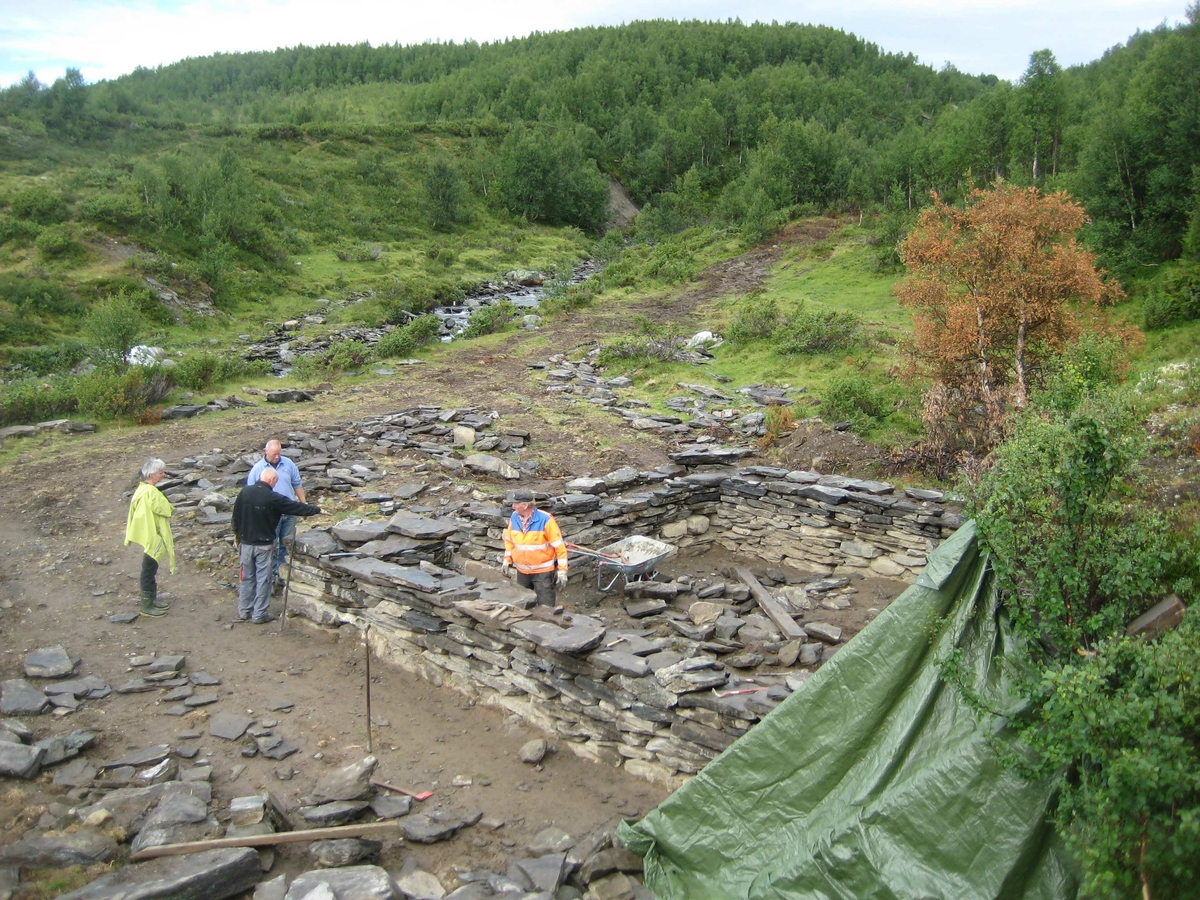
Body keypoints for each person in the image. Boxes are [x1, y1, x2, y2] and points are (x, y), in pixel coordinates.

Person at [232, 467, 321, 624]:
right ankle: (259, 614)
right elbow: (294, 507)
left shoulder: (244, 492)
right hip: (264, 545)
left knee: (246, 577)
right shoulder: (272, 497)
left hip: (245, 543)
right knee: (263, 579)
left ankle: (244, 611)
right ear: (272, 480)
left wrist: (238, 536)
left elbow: (235, 517)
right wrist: (315, 510)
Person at [246, 439, 306, 592]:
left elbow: (296, 483)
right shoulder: (258, 469)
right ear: (266, 452)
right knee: (271, 546)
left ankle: (285, 576)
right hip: (270, 515)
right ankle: (271, 579)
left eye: (279, 453)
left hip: (289, 512)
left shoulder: (288, 464)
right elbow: (250, 492)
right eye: (274, 454)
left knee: (287, 544)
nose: (277, 457)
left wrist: (302, 503)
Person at [124, 457, 175, 618]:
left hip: (148, 535)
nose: (163, 475)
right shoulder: (151, 493)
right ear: (151, 474)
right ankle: (146, 606)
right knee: (148, 570)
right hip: (153, 537)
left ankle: (152, 600)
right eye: (161, 472)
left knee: (150, 569)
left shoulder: (142, 489)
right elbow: (166, 510)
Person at [502, 488, 568, 606]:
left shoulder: (546, 520)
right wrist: (507, 560)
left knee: (546, 607)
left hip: (543, 573)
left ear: (525, 505)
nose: (513, 506)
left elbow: (560, 547)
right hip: (522, 572)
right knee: (521, 605)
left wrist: (562, 571)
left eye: (516, 503)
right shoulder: (514, 517)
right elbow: (510, 542)